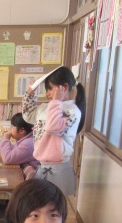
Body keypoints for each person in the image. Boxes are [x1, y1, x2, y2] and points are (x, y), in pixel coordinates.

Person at [22, 66, 86, 195]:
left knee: (55, 206)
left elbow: (53, 127)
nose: (47, 93)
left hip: (59, 171)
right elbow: (28, 115)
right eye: (47, 89)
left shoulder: (73, 111)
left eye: (50, 88)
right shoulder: (46, 107)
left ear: (64, 87)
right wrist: (30, 94)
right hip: (42, 167)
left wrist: (56, 101)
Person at [0, 112, 39, 179]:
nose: (10, 129)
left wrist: (6, 139)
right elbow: (10, 148)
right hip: (21, 173)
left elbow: (7, 158)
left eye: (12, 126)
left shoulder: (28, 144)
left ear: (21, 131)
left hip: (32, 179)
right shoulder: (24, 139)